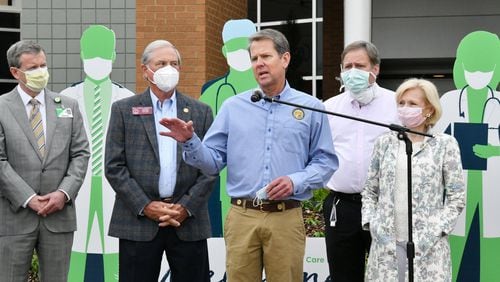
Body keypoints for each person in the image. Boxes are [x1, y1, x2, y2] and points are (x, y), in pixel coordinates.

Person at [159, 28, 338, 282]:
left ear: (285, 59)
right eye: (254, 59)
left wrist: (294, 181)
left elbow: (325, 161)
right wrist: (190, 142)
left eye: (266, 56)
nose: (259, 64)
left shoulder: (310, 108)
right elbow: (212, 163)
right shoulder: (234, 107)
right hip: (242, 216)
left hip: (286, 216)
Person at [104, 39, 215, 282]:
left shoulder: (200, 111)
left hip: (187, 221)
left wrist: (185, 207)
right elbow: (114, 166)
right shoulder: (124, 109)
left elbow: (209, 168)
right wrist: (146, 206)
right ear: (146, 70)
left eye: (174, 63)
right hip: (138, 221)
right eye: (161, 63)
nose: (169, 69)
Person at [0, 40, 90, 281]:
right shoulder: (1, 107)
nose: (41, 72)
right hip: (14, 216)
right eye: (32, 68)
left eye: (43, 65)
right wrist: (28, 198)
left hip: (58, 217)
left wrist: (64, 192)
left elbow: (80, 153)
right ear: (15, 72)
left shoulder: (68, 106)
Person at [362, 78, 466, 281]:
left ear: (429, 109)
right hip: (386, 246)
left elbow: (456, 198)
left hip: (428, 248)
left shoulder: (445, 144)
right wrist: (373, 224)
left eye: (412, 104)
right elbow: (369, 191)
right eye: (401, 103)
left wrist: (434, 232)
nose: (405, 108)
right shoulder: (384, 143)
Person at [60, 25, 135, 281]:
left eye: (103, 54)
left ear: (114, 56)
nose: (97, 61)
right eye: (92, 54)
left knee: (114, 248)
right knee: (75, 248)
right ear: (81, 54)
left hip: (114, 185)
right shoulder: (65, 98)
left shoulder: (128, 99)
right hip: (76, 185)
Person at [322, 40, 399, 282]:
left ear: (375, 69)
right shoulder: (329, 108)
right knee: (343, 275)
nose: (352, 71)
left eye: (360, 65)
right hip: (342, 206)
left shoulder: (397, 104)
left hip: (385, 206)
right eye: (347, 66)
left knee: (388, 274)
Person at [433, 31, 500, 281]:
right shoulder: (449, 101)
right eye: (472, 69)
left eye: (485, 69)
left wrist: (494, 151)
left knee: (492, 247)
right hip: (457, 185)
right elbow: (434, 141)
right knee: (454, 245)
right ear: (461, 67)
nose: (478, 76)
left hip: (493, 189)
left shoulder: (499, 103)